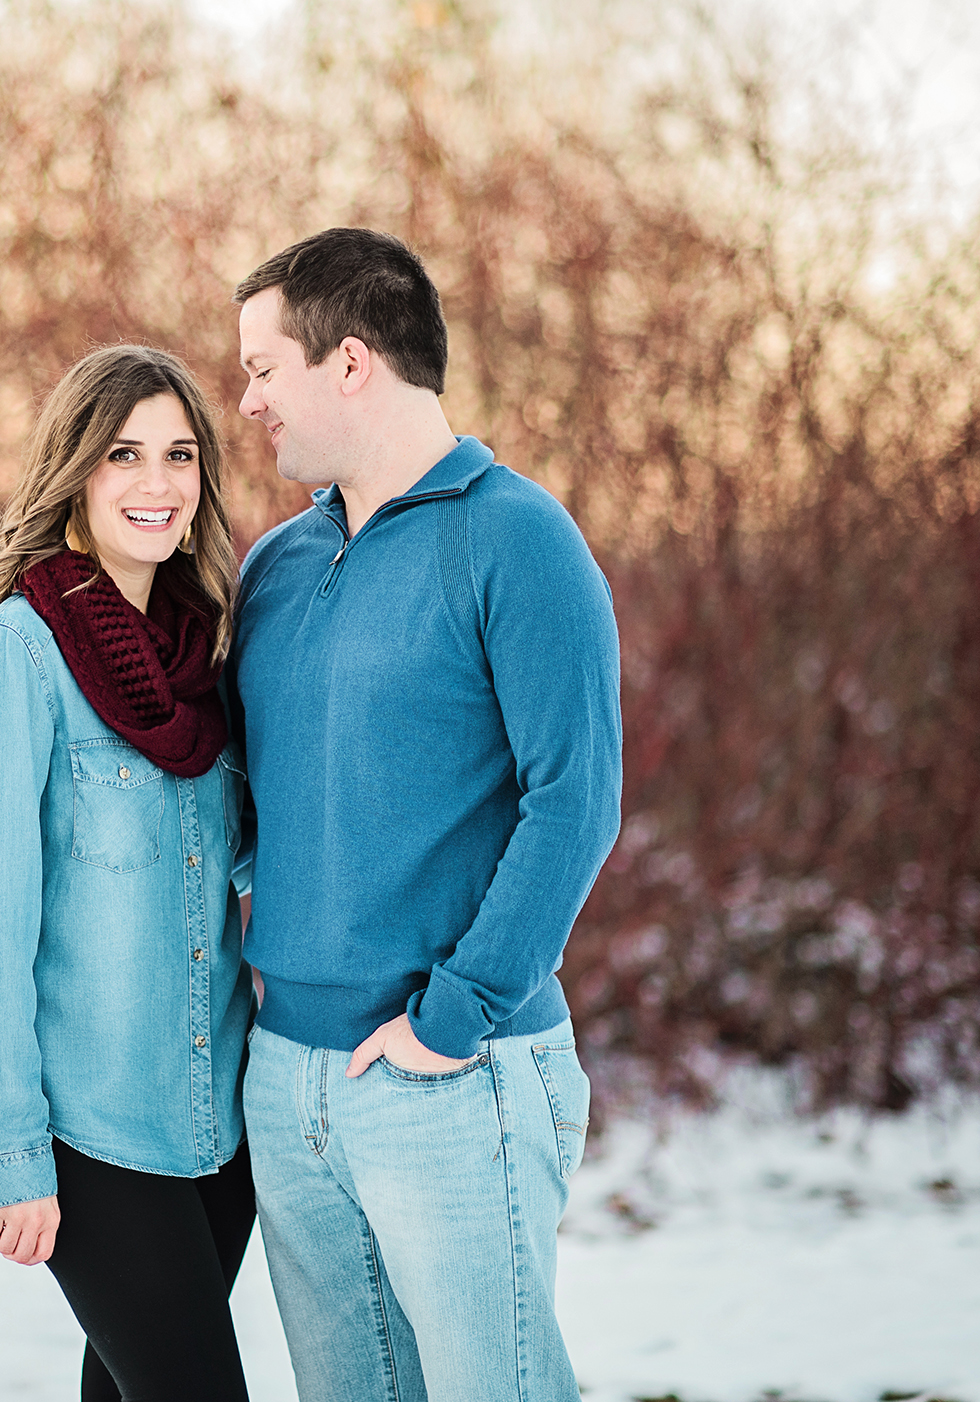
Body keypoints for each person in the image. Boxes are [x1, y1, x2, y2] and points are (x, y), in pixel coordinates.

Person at [224, 227, 622, 1401]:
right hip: (288, 1080)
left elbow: (577, 801)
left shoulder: (517, 538)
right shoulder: (276, 564)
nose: (245, 401)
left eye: (261, 367)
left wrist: (455, 1018)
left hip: (454, 1074)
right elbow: (252, 798)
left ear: (351, 362)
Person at [0, 344, 258, 1401]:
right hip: (95, 1135)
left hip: (218, 1129)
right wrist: (12, 1150)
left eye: (179, 454)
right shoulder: (16, 658)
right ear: (74, 471)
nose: (157, 484)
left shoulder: (207, 656)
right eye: (123, 454)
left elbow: (238, 868)